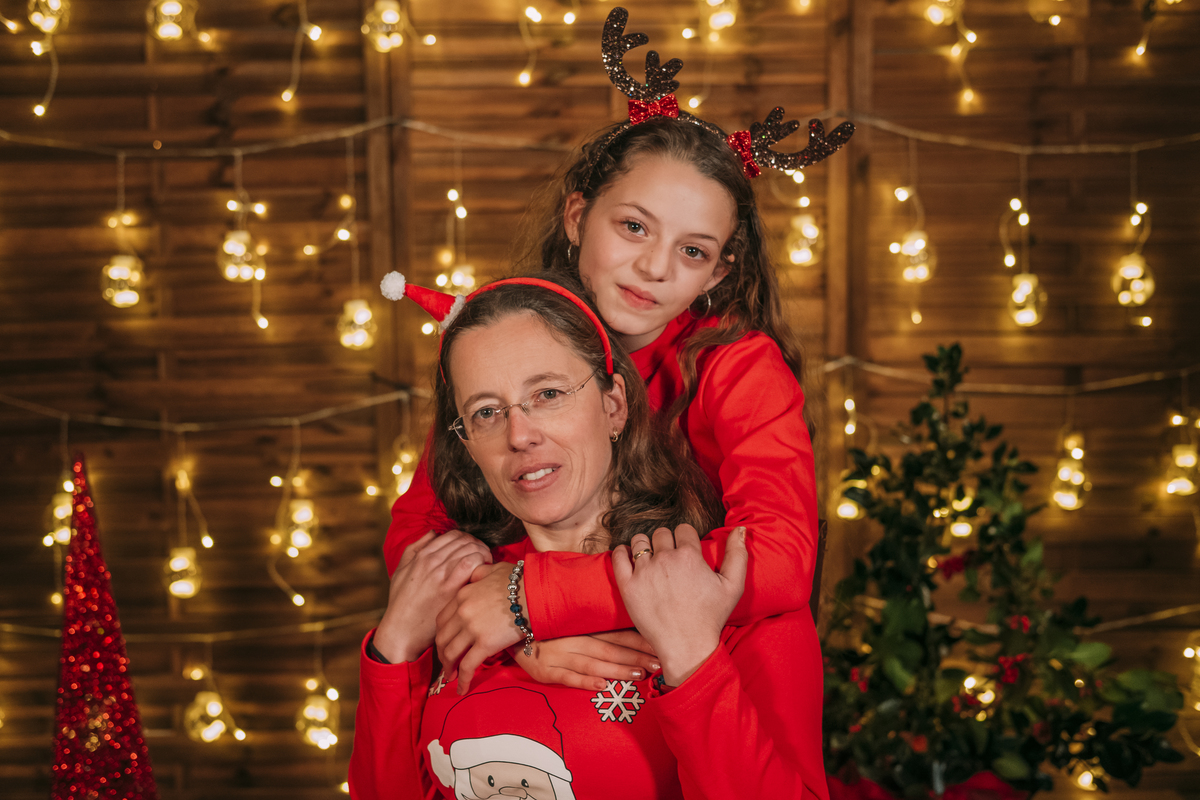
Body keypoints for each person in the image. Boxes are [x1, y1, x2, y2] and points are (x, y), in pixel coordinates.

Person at [382, 6, 852, 698]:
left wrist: (535, 601)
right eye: (634, 226)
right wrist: (518, 634)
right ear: (577, 218)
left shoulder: (737, 366)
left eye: (692, 251)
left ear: (718, 272)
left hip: (696, 678)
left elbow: (777, 561)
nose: (655, 268)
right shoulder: (508, 338)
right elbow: (422, 535)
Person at [349, 276, 828, 799]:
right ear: (465, 445)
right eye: (487, 412)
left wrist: (693, 661)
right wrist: (393, 651)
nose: (519, 435)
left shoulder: (720, 591)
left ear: (614, 405)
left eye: (548, 394)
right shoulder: (458, 599)